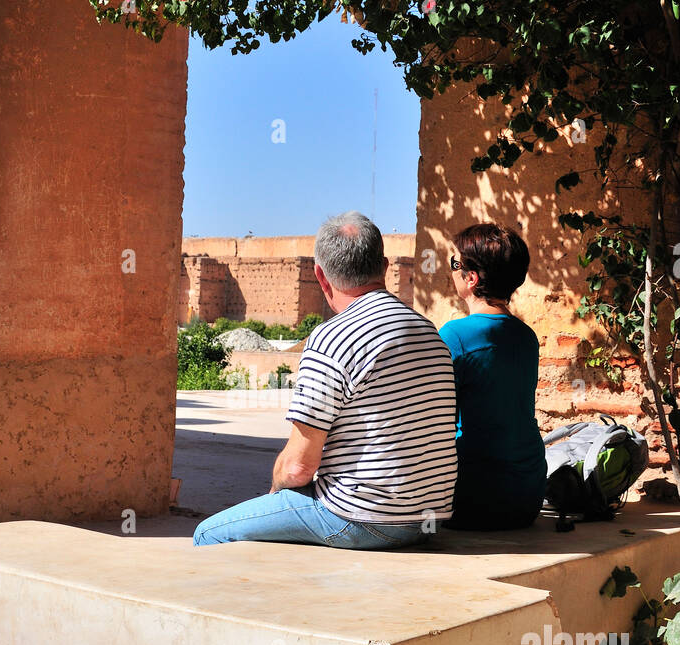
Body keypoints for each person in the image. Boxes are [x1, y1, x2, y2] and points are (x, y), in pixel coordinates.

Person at [193, 211, 457, 549]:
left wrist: (276, 492)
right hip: (426, 519)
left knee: (210, 533)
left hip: (363, 519)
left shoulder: (332, 339)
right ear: (386, 267)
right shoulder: (428, 332)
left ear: (321, 276)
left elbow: (299, 466)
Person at [438, 223, 546, 530]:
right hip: (527, 496)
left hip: (472, 498)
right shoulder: (526, 337)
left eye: (454, 264)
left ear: (471, 278)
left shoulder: (455, 335)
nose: (451, 270)